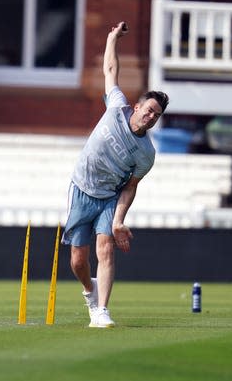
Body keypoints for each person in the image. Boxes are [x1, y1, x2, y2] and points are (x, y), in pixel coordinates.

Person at [62, 21, 169, 328]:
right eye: (147, 110)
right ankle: (89, 291)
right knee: (77, 262)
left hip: (109, 196)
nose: (149, 117)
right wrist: (112, 38)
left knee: (105, 247)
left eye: (155, 116)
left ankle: (102, 311)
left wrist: (120, 219)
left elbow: (130, 187)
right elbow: (110, 69)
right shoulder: (117, 107)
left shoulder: (146, 154)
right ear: (136, 106)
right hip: (81, 188)